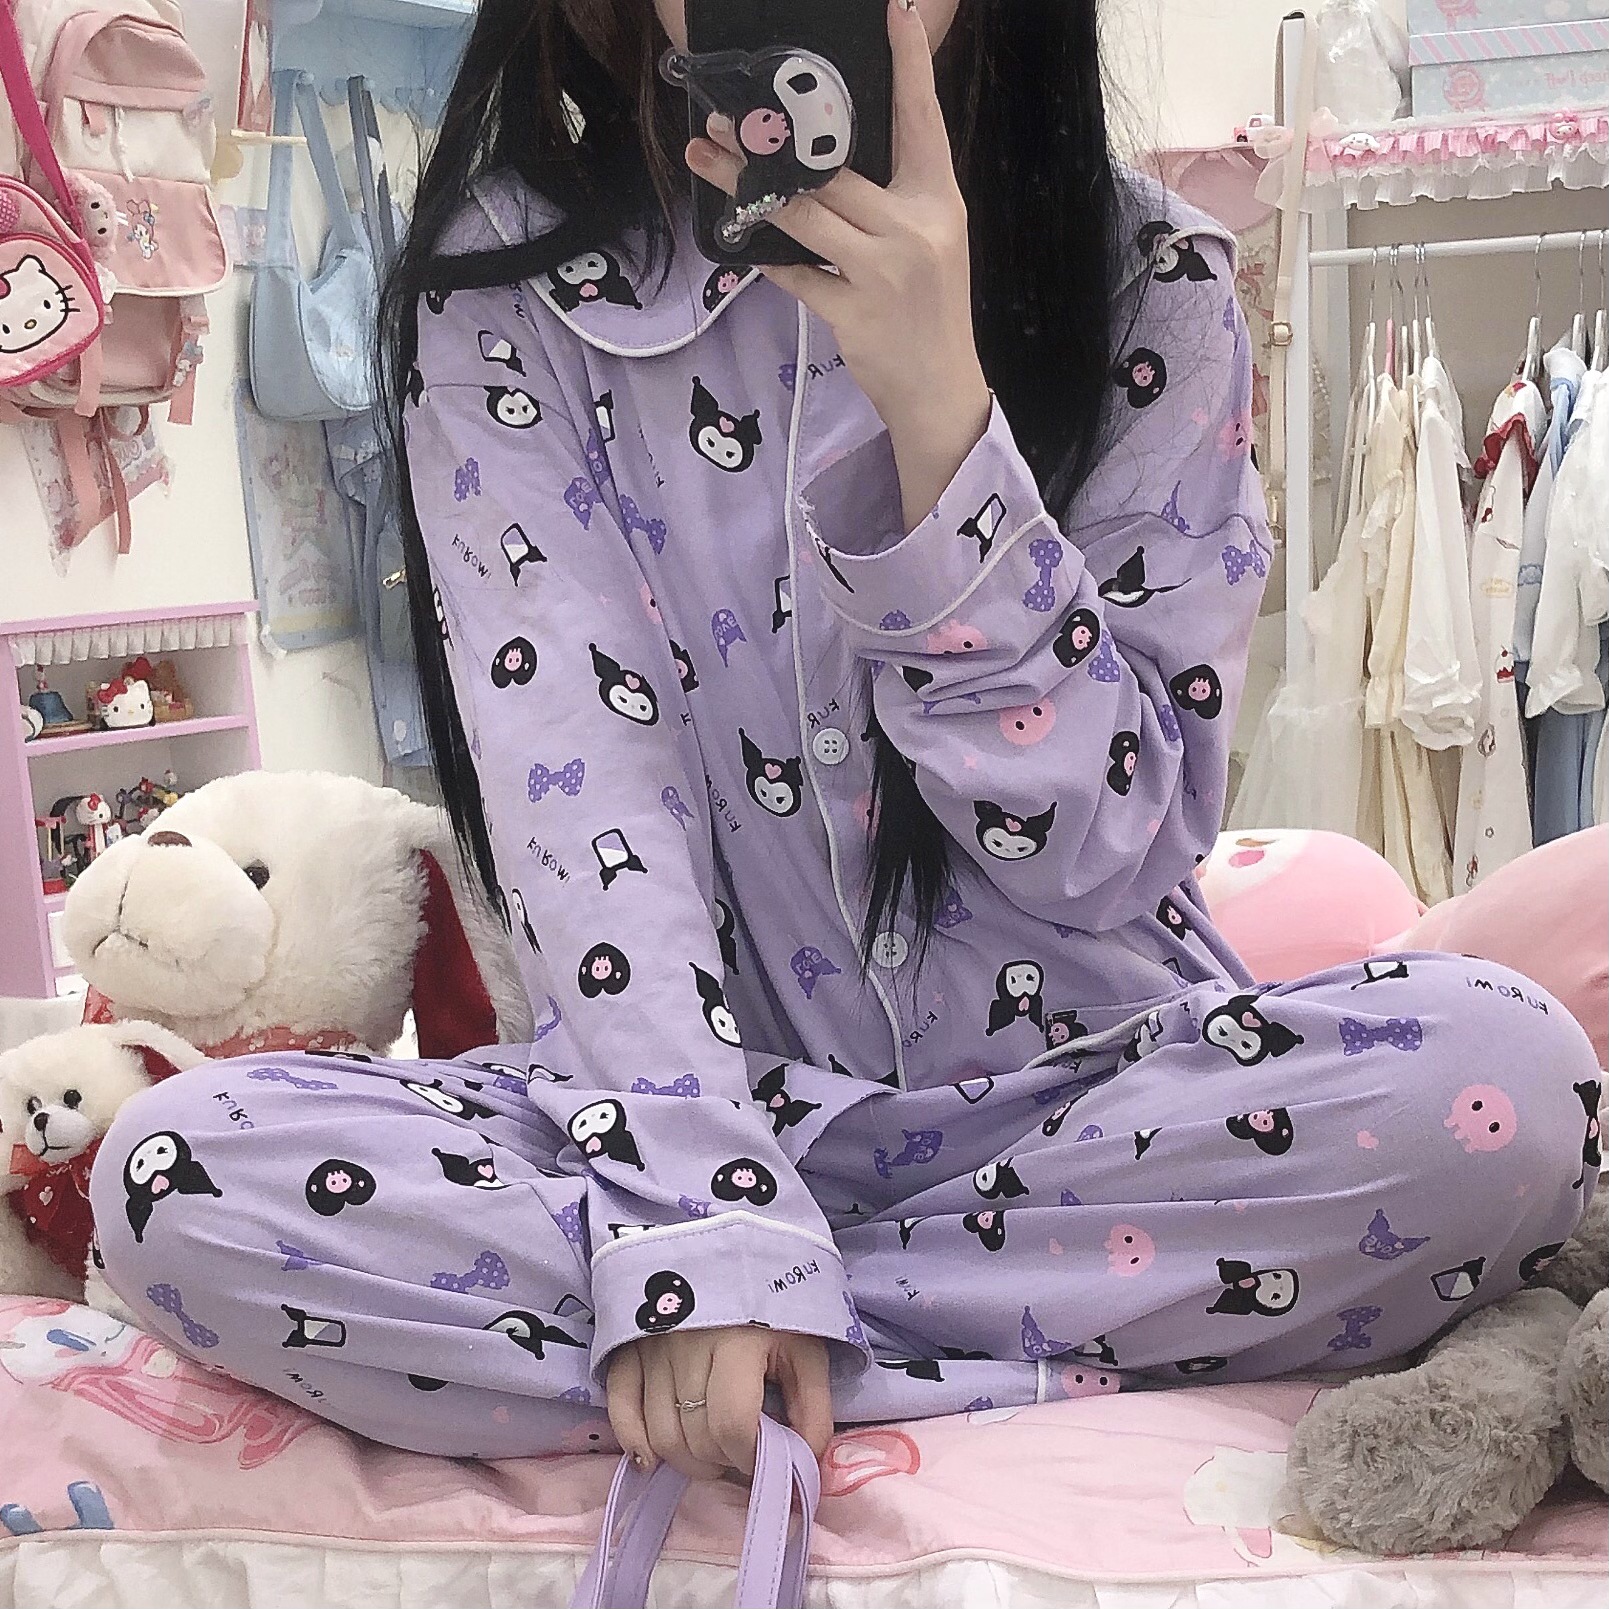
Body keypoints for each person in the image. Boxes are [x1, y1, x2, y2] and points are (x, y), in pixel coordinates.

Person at [95, 0, 1598, 1484]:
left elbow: (1111, 849)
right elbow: (584, 803)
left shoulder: (1152, 282)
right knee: (181, 1168)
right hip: (681, 1119)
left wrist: (938, 408)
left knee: (1503, 1082)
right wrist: (701, 1211)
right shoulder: (509, 295)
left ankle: (760, 1337)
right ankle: (864, 1310)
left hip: (1094, 1110)